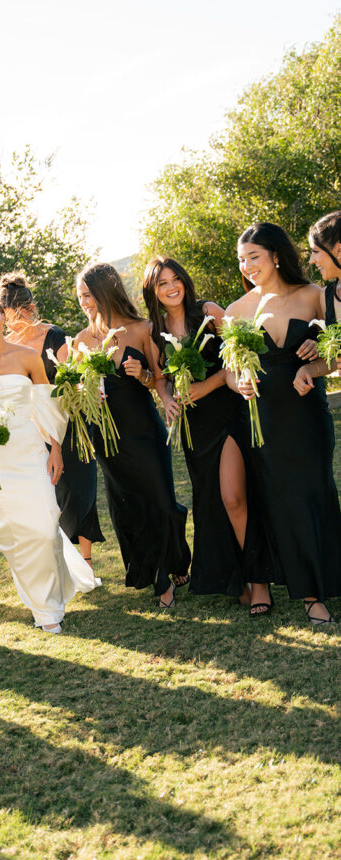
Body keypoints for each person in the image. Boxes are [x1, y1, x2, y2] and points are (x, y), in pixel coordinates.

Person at [0, 294, 99, 633]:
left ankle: (53, 593)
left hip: (31, 452)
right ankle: (45, 609)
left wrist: (55, 450)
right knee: (18, 535)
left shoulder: (27, 356)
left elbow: (48, 406)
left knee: (45, 526)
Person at [225, 221, 341, 626]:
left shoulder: (314, 295)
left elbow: (336, 354)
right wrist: (238, 381)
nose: (247, 266)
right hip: (265, 422)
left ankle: (326, 580)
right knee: (285, 502)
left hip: (308, 417)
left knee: (316, 494)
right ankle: (311, 596)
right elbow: (229, 371)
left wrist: (316, 360)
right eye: (242, 260)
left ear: (275, 255)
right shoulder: (237, 311)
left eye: (254, 256)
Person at [75, 262, 190, 609]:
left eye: (89, 295)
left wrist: (142, 374)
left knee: (160, 500)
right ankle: (160, 579)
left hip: (143, 431)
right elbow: (76, 393)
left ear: (106, 292)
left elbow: (160, 379)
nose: (85, 302)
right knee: (130, 507)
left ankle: (175, 561)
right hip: (107, 438)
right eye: (80, 297)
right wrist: (83, 391)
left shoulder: (142, 329)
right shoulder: (82, 340)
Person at [143, 257, 248, 602]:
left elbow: (238, 355)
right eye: (162, 283)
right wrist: (166, 400)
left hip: (229, 412)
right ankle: (232, 580)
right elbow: (160, 378)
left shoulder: (209, 312)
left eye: (176, 279)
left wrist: (210, 384)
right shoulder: (155, 330)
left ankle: (254, 577)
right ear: (153, 292)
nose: (171, 287)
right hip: (194, 426)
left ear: (185, 281)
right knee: (209, 500)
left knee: (234, 497)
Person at [0, 273, 104, 572]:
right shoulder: (7, 345)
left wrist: (85, 389)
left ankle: (86, 560)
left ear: (30, 308)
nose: (10, 324)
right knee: (54, 494)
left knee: (81, 490)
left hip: (71, 421)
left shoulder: (55, 336)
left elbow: (71, 377)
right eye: (6, 318)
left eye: (14, 316)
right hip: (37, 429)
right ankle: (64, 559)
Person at [295, 210, 341, 391]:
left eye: (315, 251)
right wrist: (308, 369)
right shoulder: (327, 296)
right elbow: (334, 360)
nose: (312, 260)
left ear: (339, 250)